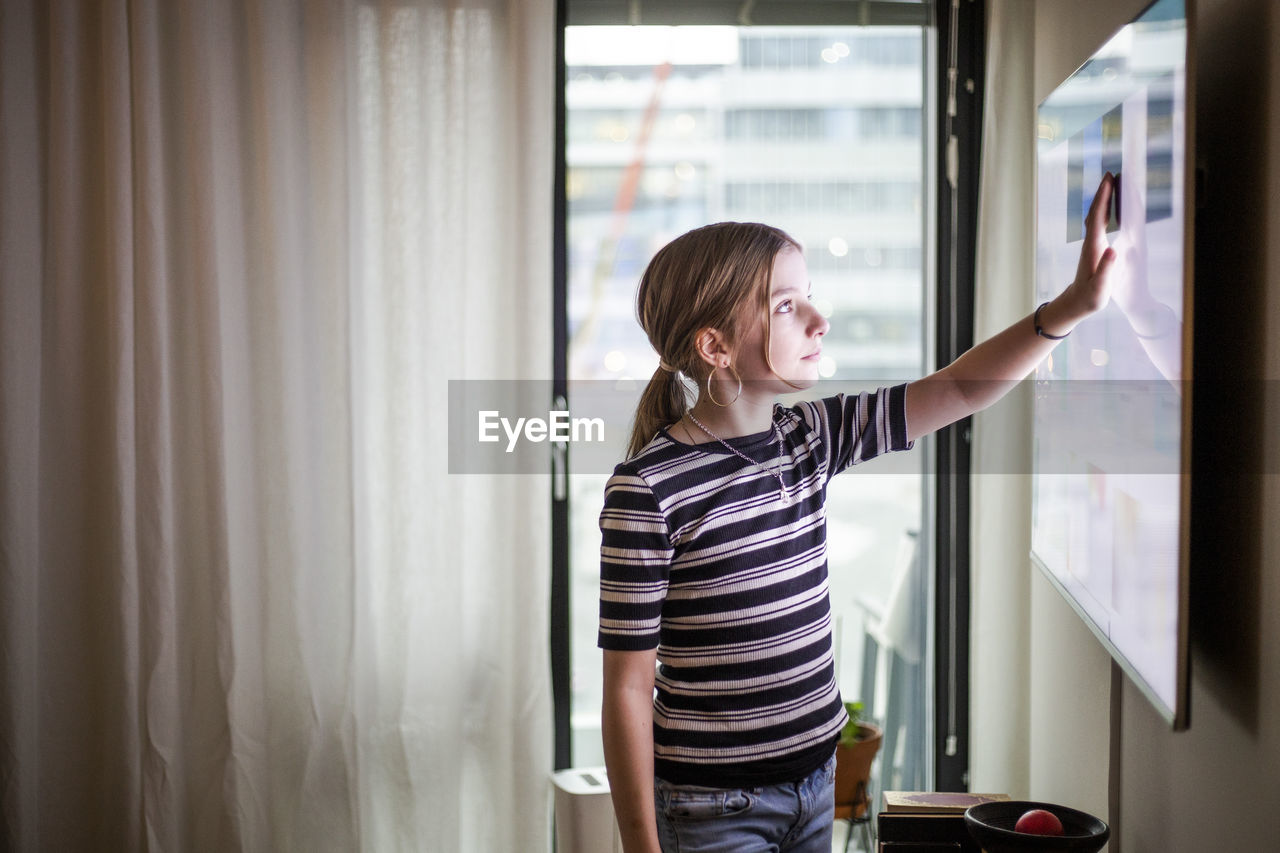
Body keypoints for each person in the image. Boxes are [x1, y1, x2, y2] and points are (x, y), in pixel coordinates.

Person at [598, 175, 1117, 853]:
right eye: (787, 305)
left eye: (808, 296)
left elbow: (958, 387)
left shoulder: (810, 438)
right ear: (715, 347)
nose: (819, 318)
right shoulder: (647, 489)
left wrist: (1068, 310)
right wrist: (642, 846)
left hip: (816, 780)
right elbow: (628, 690)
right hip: (711, 803)